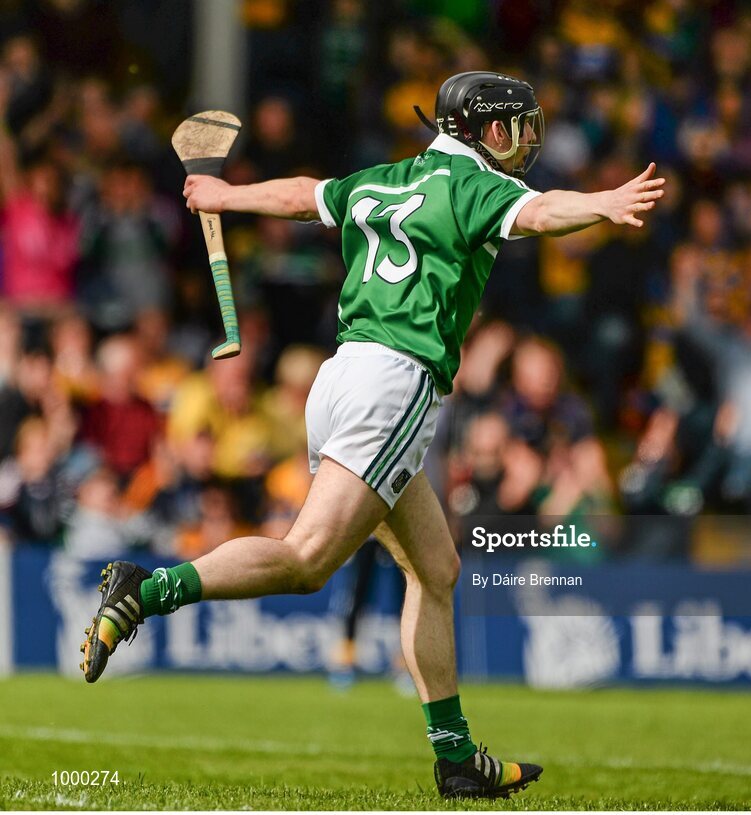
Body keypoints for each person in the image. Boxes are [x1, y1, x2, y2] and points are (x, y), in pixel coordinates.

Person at [79, 71, 665, 799]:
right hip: (396, 386)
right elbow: (544, 214)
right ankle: (147, 585)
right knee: (306, 560)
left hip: (340, 378)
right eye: (514, 127)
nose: (525, 142)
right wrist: (605, 204)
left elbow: (301, 194)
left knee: (437, 567)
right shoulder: (476, 186)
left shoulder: (388, 176)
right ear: (480, 131)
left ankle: (455, 757)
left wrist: (226, 196)